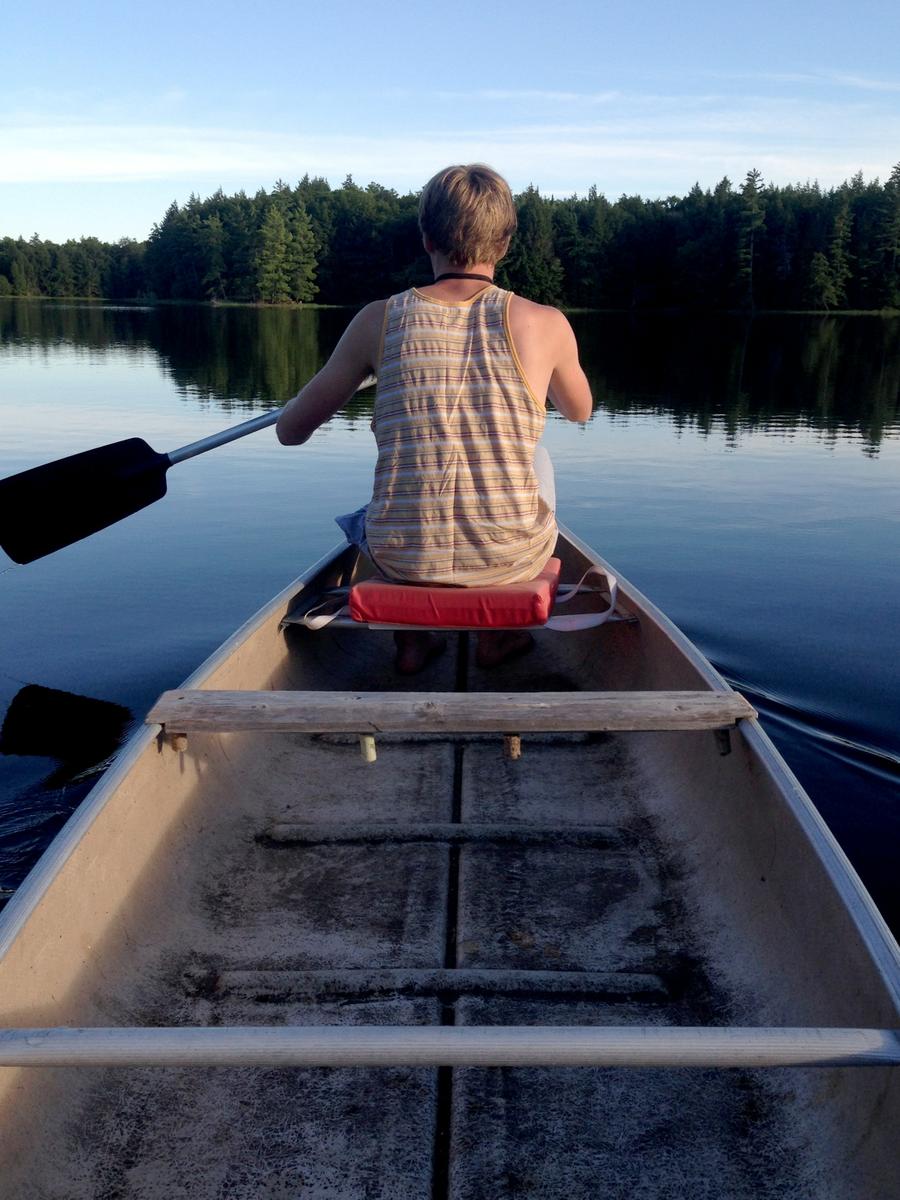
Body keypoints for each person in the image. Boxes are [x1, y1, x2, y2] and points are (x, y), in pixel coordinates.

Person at [276, 164, 592, 673]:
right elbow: (580, 410)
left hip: (401, 558)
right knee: (538, 455)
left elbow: (289, 433)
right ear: (506, 243)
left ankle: (413, 640)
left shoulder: (377, 320)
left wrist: (302, 402)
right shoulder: (546, 323)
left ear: (426, 239)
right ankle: (498, 638)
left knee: (390, 500)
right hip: (510, 561)